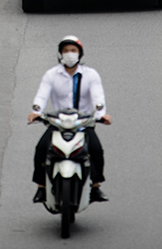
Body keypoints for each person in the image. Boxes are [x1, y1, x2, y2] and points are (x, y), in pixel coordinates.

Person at [29, 36, 110, 204]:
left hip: (82, 123)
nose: (70, 54)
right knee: (41, 148)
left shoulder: (90, 75)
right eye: (66, 51)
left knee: (95, 149)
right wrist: (36, 112)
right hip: (58, 123)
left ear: (80, 53)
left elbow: (98, 97)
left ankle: (95, 186)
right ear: (60, 54)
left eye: (73, 51)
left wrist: (101, 114)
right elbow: (41, 96)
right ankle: (41, 188)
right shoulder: (51, 75)